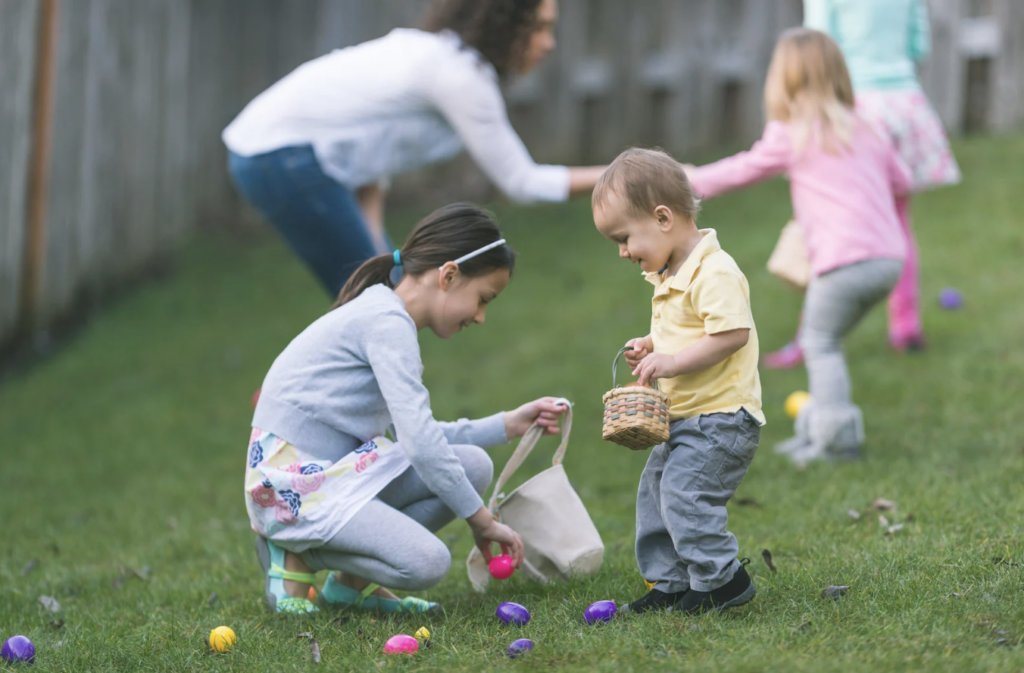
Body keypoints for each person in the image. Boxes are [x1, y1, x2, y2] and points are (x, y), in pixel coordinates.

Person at [244, 203, 567, 613]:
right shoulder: (386, 323)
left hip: (336, 474)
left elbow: (420, 437)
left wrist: (507, 424)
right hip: (291, 488)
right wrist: (481, 521)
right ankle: (294, 552)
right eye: (483, 299)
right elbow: (419, 443)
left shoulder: (385, 315)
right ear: (448, 275)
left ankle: (350, 587)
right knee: (428, 562)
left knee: (473, 466)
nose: (482, 317)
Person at [223, 0, 605, 297]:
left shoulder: (441, 58)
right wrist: (625, 173)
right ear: (504, 24)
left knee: (386, 292)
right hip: (277, 157)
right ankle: (293, 398)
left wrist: (372, 242)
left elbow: (371, 151)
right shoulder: (458, 74)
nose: (549, 43)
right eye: (538, 28)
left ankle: (300, 396)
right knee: (380, 305)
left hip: (271, 154)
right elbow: (523, 182)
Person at [685, 29, 911, 463]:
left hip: (844, 263)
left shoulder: (792, 134)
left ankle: (836, 442)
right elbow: (901, 182)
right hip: (888, 259)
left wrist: (689, 179)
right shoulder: (866, 126)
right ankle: (817, 429)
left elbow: (742, 169)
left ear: (783, 82)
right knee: (828, 339)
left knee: (821, 342)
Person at [592, 148, 764, 615]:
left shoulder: (715, 271)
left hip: (722, 417)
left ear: (663, 218)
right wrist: (652, 343)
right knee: (655, 497)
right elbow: (687, 328)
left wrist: (671, 362)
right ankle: (669, 582)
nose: (623, 252)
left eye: (625, 238)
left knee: (685, 496)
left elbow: (730, 334)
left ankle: (720, 580)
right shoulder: (670, 274)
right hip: (683, 417)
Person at [765, 0, 961, 367]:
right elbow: (919, 46)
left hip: (851, 107)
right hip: (904, 103)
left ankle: (810, 337)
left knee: (826, 224)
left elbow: (816, 46)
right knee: (898, 223)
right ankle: (906, 327)